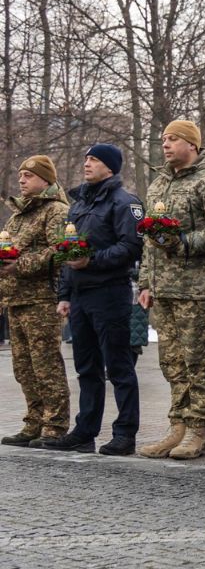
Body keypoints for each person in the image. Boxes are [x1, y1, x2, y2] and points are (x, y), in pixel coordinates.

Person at [135, 120, 205, 460]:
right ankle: (177, 426)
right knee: (171, 362)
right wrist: (146, 282)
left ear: (192, 144)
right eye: (163, 139)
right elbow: (148, 240)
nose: (166, 144)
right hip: (164, 288)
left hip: (197, 287)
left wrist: (184, 242)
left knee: (198, 361)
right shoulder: (159, 183)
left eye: (173, 139)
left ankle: (197, 431)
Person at [43, 144, 144, 455]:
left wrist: (93, 261)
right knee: (86, 368)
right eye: (86, 158)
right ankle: (85, 431)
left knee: (118, 367)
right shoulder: (79, 205)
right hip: (81, 297)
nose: (87, 164)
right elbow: (68, 251)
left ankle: (125, 434)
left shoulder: (124, 203)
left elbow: (131, 248)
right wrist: (65, 294)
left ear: (110, 168)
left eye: (94, 159)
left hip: (110, 293)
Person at [0, 155, 71, 447]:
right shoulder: (17, 216)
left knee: (46, 366)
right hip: (15, 300)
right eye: (20, 175)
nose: (22, 180)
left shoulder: (56, 211)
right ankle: (34, 421)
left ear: (45, 179)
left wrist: (21, 265)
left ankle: (54, 424)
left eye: (28, 175)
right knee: (23, 367)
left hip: (41, 299)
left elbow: (59, 251)